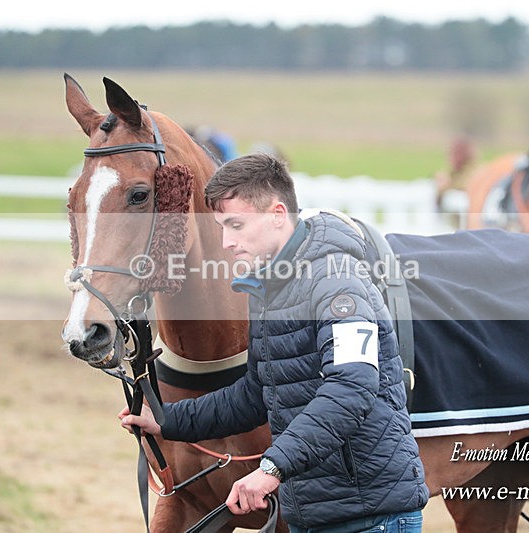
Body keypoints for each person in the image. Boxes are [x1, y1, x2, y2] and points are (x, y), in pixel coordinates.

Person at [120, 153, 429, 532]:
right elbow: (257, 394)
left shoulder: (337, 284)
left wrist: (271, 468)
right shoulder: (270, 291)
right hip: (317, 514)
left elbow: (351, 388)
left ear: (278, 215)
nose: (226, 242)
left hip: (369, 517)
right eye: (221, 228)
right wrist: (166, 420)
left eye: (236, 225)